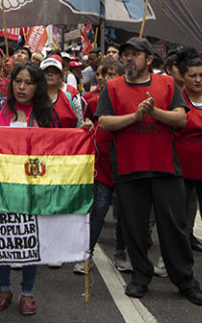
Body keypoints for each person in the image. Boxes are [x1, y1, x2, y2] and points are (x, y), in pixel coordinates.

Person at [96, 37, 202, 306]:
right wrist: (135, 117)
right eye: (125, 54)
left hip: (164, 168)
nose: (128, 59)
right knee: (134, 227)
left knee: (174, 227)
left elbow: (181, 118)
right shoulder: (112, 87)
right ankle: (140, 277)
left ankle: (185, 279)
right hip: (128, 168)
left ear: (149, 59)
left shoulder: (168, 84)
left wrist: (154, 111)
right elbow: (104, 122)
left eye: (135, 54)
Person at [0, 62, 59, 316]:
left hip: (33, 188)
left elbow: (57, 147)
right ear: (11, 82)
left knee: (29, 239)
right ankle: (4, 289)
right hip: (1, 184)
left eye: (29, 83)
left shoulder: (46, 113)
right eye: (18, 81)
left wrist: (83, 133)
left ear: (38, 86)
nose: (22, 87)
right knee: (4, 237)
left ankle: (28, 292)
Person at [73, 59, 129, 274]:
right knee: (98, 210)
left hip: (125, 164)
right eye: (102, 74)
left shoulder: (130, 101)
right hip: (102, 166)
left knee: (124, 212)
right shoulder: (93, 102)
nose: (105, 78)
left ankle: (121, 252)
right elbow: (86, 124)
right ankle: (86, 254)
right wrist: (87, 126)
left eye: (111, 74)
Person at [174, 48, 202, 280]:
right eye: (193, 76)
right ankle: (175, 262)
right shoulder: (176, 100)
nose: (199, 80)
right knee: (179, 221)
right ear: (183, 77)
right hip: (182, 171)